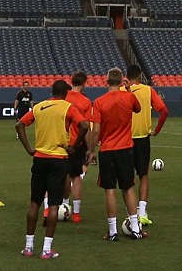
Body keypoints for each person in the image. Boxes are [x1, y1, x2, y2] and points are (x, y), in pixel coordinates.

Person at [16, 78, 88, 260]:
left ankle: (28, 247)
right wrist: (74, 146)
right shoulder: (68, 108)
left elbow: (20, 125)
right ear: (65, 94)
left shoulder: (39, 107)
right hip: (58, 159)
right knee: (54, 204)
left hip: (40, 159)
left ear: (51, 92)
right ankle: (47, 249)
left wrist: (29, 149)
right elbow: (84, 125)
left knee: (35, 203)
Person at [86, 67, 144, 241]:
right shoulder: (129, 96)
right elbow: (138, 109)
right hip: (126, 148)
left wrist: (91, 150)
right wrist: (127, 90)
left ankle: (112, 232)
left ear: (106, 82)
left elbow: (95, 131)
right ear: (121, 81)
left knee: (110, 190)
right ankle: (135, 228)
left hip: (107, 150)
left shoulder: (99, 102)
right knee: (128, 188)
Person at [126, 63, 169, 227]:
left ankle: (131, 214)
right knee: (143, 174)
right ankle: (142, 213)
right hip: (143, 138)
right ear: (140, 76)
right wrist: (156, 130)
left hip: (125, 139)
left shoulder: (123, 91)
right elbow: (164, 111)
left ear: (128, 77)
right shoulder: (148, 90)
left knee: (128, 177)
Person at [62, 71, 93, 223]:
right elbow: (86, 127)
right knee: (76, 176)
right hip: (77, 142)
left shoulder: (63, 97)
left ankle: (63, 204)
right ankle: (76, 213)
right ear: (83, 83)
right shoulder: (85, 101)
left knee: (64, 175)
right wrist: (90, 148)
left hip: (62, 142)